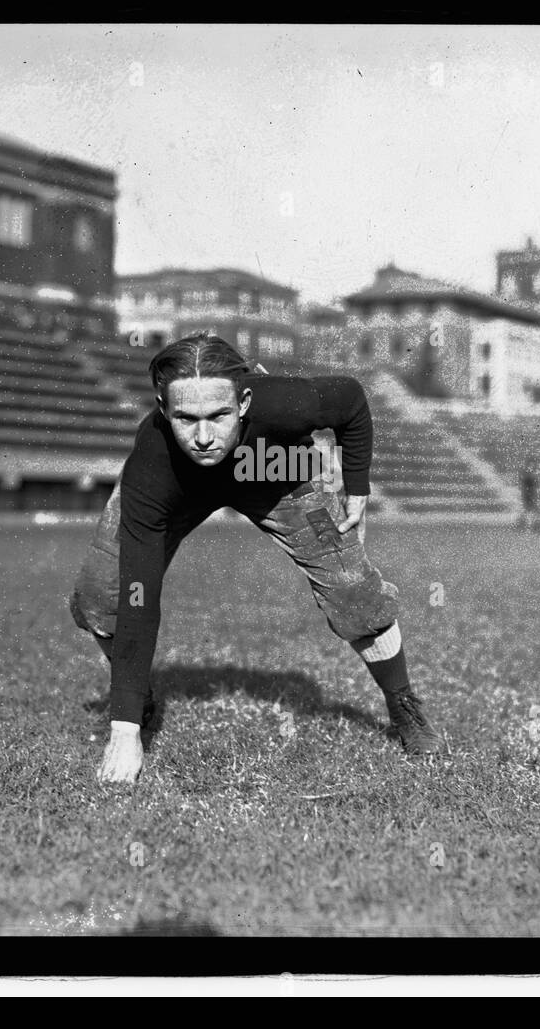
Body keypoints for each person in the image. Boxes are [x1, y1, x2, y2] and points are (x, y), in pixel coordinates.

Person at [69, 332, 441, 785]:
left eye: (219, 415)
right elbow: (139, 592)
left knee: (352, 589)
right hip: (182, 485)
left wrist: (357, 486)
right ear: (163, 410)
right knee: (100, 593)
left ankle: (402, 703)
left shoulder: (286, 403)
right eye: (185, 418)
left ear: (245, 402)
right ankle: (136, 697)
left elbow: (351, 401)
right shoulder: (154, 462)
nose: (204, 437)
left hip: (274, 466)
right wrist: (123, 730)